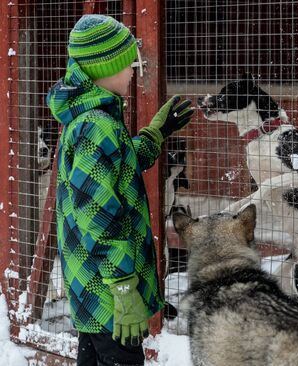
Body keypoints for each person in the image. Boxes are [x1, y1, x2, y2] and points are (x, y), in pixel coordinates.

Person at [46, 14, 193, 366]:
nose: (134, 70)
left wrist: (154, 135)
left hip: (92, 284)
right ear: (105, 67)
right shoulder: (97, 126)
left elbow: (116, 170)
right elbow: (97, 213)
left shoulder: (88, 117)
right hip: (109, 290)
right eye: (128, 63)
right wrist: (124, 286)